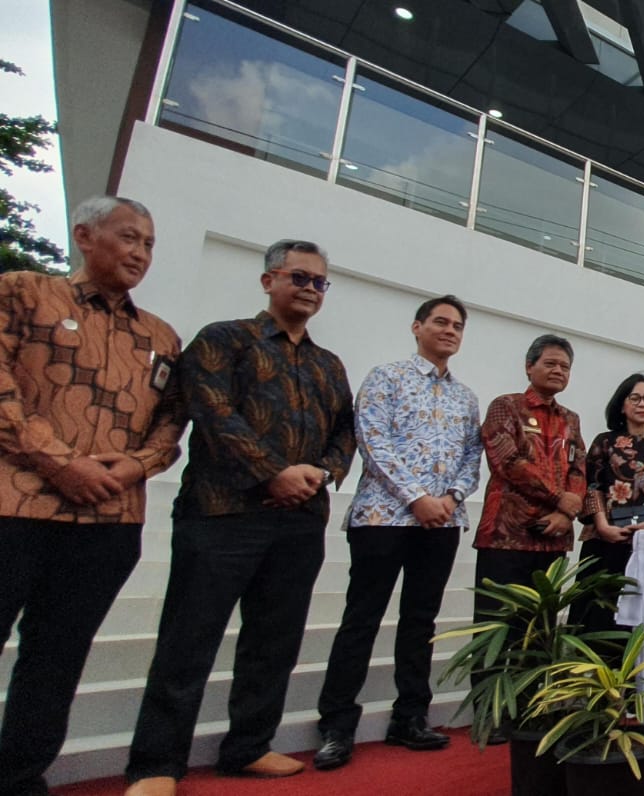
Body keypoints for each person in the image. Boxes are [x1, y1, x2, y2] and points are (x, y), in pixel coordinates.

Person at [127, 240, 355, 795]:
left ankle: (249, 746)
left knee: (274, 640)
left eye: (319, 282)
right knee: (190, 638)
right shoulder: (223, 339)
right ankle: (157, 764)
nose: (308, 288)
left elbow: (346, 433)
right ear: (268, 280)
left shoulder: (328, 364)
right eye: (298, 277)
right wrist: (273, 472)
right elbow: (213, 414)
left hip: (301, 520)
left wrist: (320, 474)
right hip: (222, 514)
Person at [0, 197, 184, 796]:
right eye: (128, 237)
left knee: (57, 659)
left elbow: (171, 426)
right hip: (15, 508)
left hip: (109, 521)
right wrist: (62, 464)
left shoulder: (160, 336)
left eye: (149, 244)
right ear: (84, 235)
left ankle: (20, 777)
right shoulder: (23, 292)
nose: (139, 253)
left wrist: (134, 465)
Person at [312, 296, 482, 771]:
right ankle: (337, 726)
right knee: (361, 619)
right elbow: (372, 441)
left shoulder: (465, 397)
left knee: (420, 623)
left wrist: (449, 497)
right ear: (417, 327)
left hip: (442, 523)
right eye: (441, 322)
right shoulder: (386, 378)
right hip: (383, 518)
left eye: (457, 326)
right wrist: (416, 498)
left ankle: (410, 717)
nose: (450, 331)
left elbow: (473, 458)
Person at [472, 334, 585, 739]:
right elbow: (508, 462)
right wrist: (560, 499)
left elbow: (579, 469)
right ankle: (490, 715)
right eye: (551, 364)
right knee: (494, 629)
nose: (558, 371)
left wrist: (564, 511)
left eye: (565, 367)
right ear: (529, 366)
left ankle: (532, 709)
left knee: (539, 630)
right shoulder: (506, 406)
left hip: (552, 538)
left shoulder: (571, 419)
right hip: (506, 535)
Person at [571, 373, 644, 636]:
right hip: (604, 538)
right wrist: (602, 525)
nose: (643, 404)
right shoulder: (604, 442)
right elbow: (592, 485)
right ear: (622, 403)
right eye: (636, 398)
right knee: (596, 613)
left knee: (639, 613)